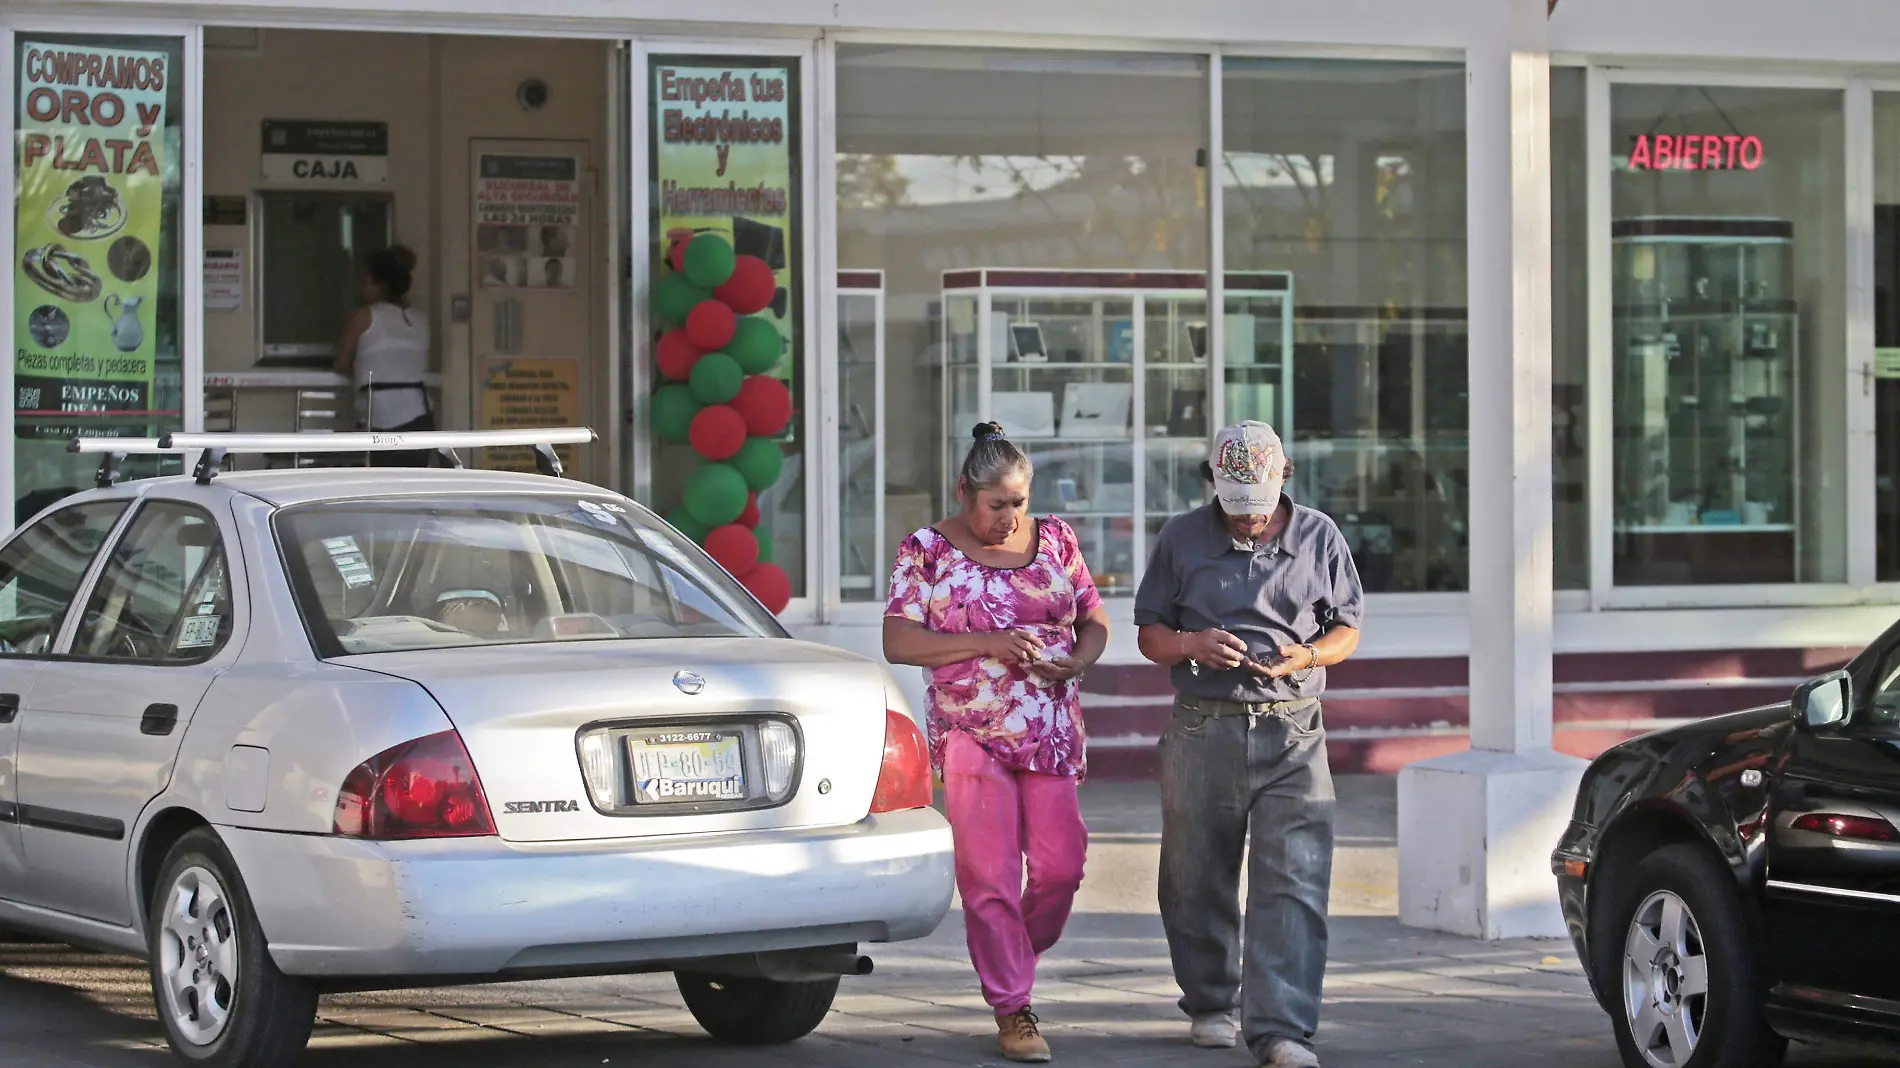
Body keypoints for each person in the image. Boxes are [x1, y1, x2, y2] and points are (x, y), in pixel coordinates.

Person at [1132, 421, 1364, 1068]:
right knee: (1193, 875)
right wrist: (1191, 644)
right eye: (1236, 511)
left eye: (1258, 511)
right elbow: (1150, 632)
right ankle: (1210, 1000)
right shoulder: (1181, 537)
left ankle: (1282, 1029)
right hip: (1202, 727)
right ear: (1215, 487)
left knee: (1294, 880)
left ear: (1284, 479)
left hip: (1293, 727)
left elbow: (1348, 629)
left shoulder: (1319, 536)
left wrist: (1307, 655)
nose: (1248, 524)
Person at [883, 422, 1111, 1064]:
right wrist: (987, 643)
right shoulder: (925, 550)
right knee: (988, 877)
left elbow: (1093, 617)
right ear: (964, 492)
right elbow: (899, 642)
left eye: (1019, 502)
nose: (1010, 518)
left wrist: (1081, 661)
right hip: (970, 730)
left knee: (1062, 868)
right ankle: (1013, 1006)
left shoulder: (1057, 538)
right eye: (996, 505)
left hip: (1051, 727)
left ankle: (1009, 951)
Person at [336, 244, 433, 467]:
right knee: (413, 489)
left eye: (365, 282)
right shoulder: (419, 320)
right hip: (421, 414)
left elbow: (341, 363)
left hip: (380, 417)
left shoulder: (364, 317)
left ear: (380, 286)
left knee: (380, 489)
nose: (361, 289)